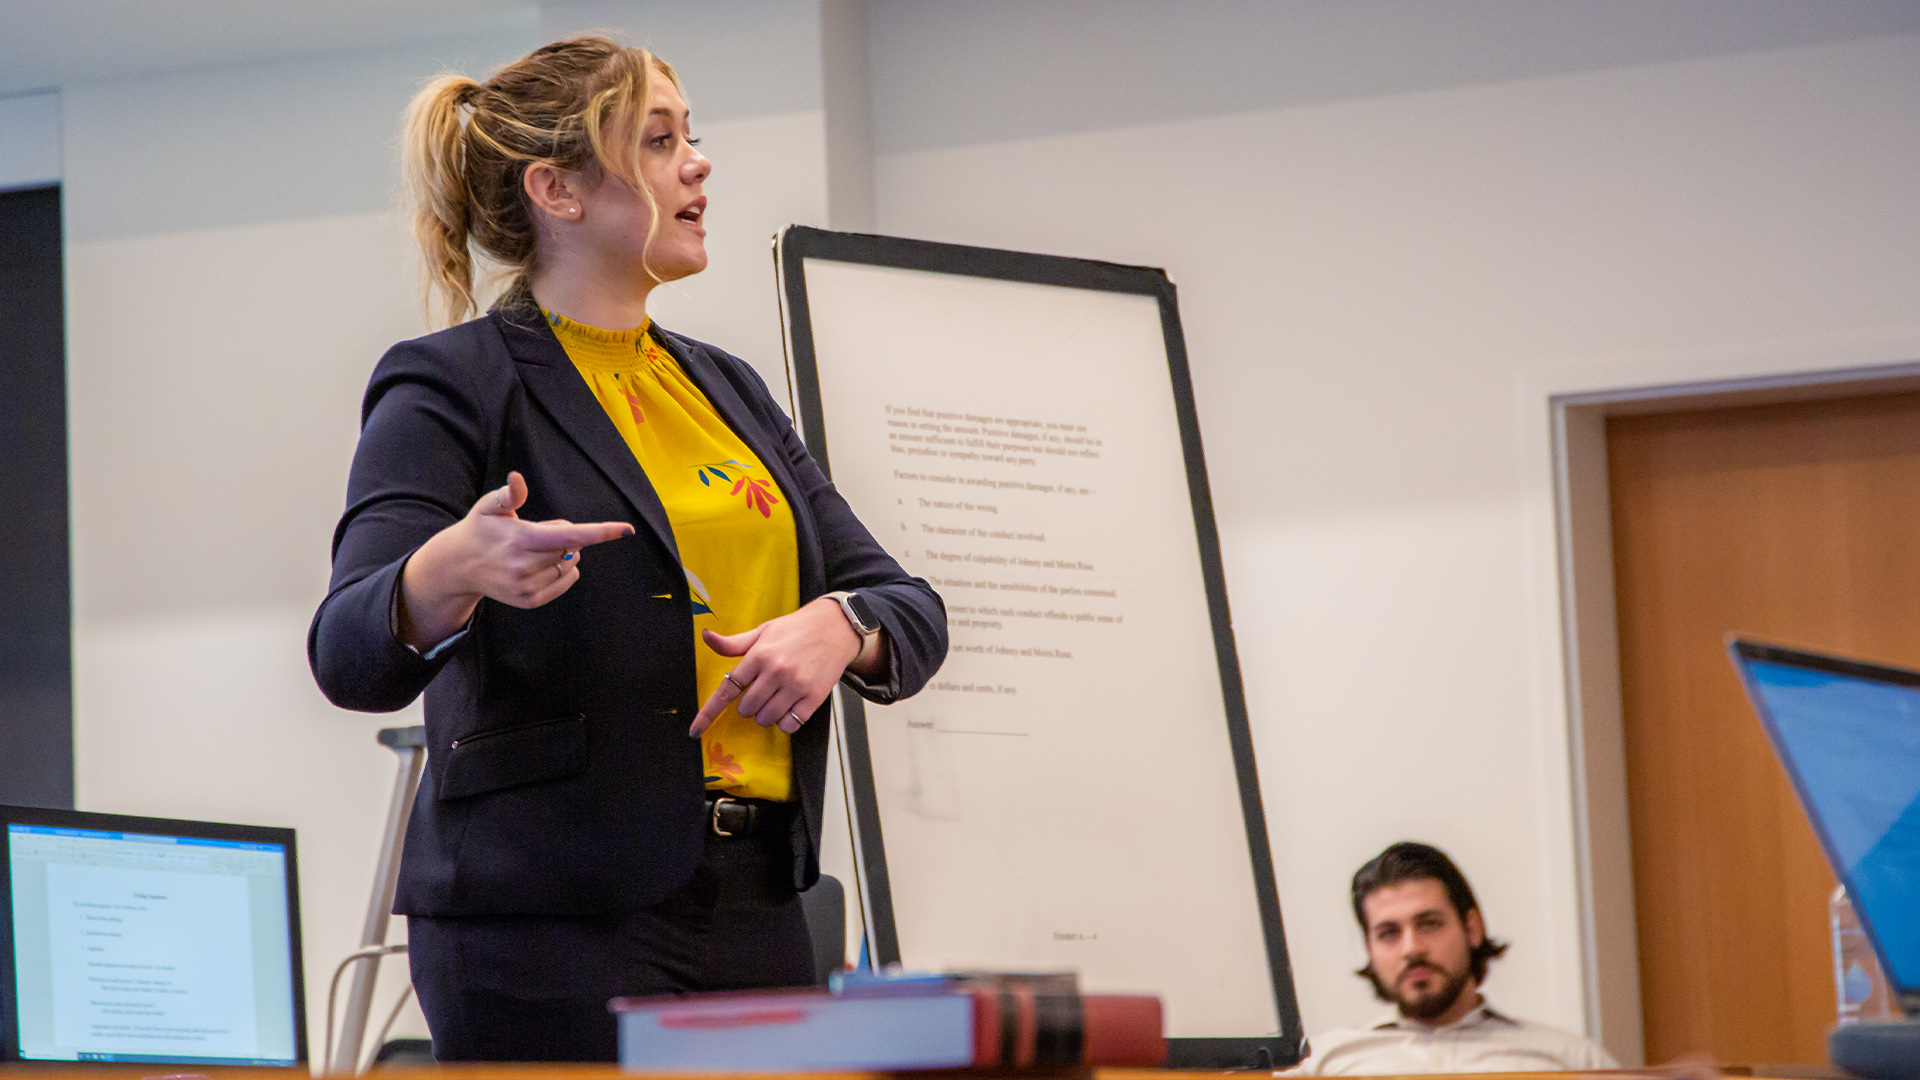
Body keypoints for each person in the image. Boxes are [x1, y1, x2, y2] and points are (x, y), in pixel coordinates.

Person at [306, 37, 947, 1062]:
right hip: (545, 926)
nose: (698, 163)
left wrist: (843, 625)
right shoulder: (453, 383)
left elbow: (904, 601)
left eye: (692, 136)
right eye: (658, 142)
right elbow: (345, 647)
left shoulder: (725, 388)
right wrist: (450, 573)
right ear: (556, 190)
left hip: (759, 907)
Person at [1289, 842, 1617, 1075]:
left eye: (1429, 924)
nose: (1411, 948)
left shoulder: (1569, 1061)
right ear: (1369, 948)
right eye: (1389, 933)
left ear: (1472, 928)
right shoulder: (1319, 1065)